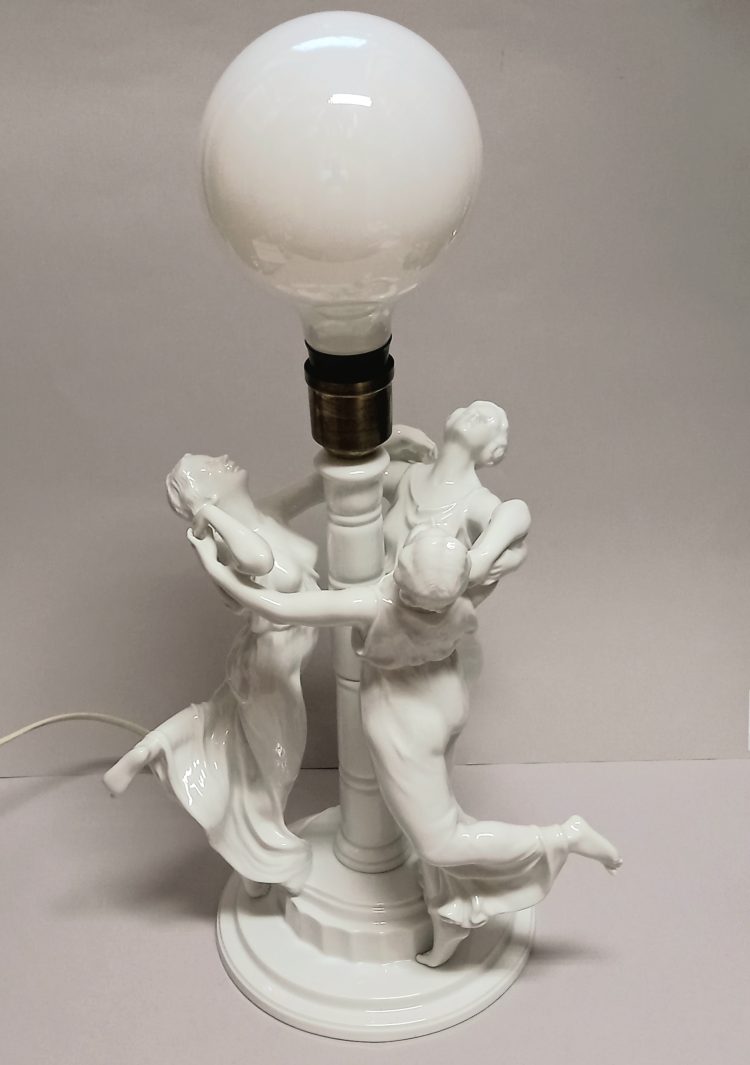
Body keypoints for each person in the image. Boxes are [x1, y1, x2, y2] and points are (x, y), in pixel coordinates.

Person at [188, 522, 622, 966]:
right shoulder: (466, 582)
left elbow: (275, 604)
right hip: (447, 701)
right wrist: (485, 551)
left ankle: (561, 837)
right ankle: (451, 916)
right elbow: (516, 528)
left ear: (400, 571)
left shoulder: (372, 603)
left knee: (438, 840)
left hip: (404, 723)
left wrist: (212, 562)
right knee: (440, 818)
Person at [104, 454, 320, 896]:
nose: (223, 458)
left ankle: (157, 746)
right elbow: (260, 559)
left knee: (241, 738)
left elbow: (317, 486)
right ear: (203, 495)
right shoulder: (226, 543)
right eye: (209, 466)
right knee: (276, 768)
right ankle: (265, 862)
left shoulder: (265, 511)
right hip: (270, 665)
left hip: (277, 659)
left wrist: (390, 447)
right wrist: (206, 514)